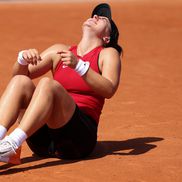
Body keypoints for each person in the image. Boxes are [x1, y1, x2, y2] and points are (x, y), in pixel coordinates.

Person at [0, 3, 122, 164]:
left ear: (107, 37)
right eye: (94, 15)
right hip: (42, 140)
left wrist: (79, 66)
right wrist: (22, 60)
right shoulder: (59, 51)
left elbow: (109, 89)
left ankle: (12, 144)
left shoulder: (108, 54)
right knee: (21, 81)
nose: (95, 17)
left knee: (48, 85)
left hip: (77, 140)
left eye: (102, 19)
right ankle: (4, 145)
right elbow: (19, 76)